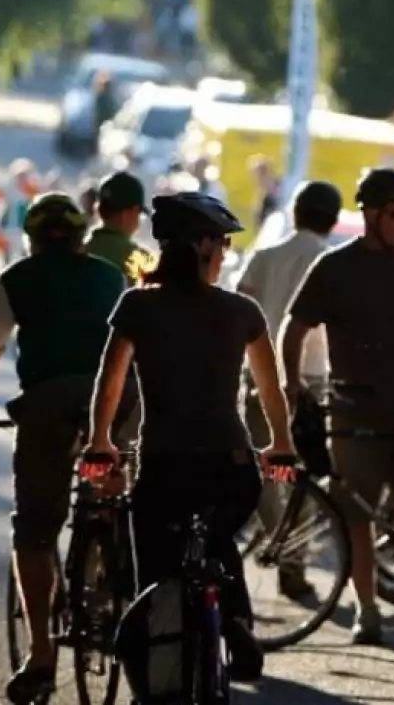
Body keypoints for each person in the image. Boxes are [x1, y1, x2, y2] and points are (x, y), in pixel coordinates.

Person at [84, 192, 296, 689]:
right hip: (232, 466)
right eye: (221, 243)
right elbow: (271, 388)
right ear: (202, 245)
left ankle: (149, 688)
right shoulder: (242, 312)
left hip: (163, 466)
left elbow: (109, 380)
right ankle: (237, 623)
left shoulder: (137, 304)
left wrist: (100, 441)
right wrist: (282, 444)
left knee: (154, 581)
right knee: (220, 540)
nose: (224, 252)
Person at [0, 193, 130, 704]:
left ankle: (41, 657)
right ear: (81, 237)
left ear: (32, 240)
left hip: (49, 406)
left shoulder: (18, 279)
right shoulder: (108, 276)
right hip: (113, 400)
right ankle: (109, 565)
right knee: (111, 489)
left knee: (34, 528)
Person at [278, 168, 394, 646]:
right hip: (354, 412)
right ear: (370, 214)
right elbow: (294, 327)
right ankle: (367, 609)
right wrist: (291, 386)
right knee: (356, 515)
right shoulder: (335, 267)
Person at [235, 180, 342, 601]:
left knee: (265, 470)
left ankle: (274, 538)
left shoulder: (263, 258)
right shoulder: (331, 263)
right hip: (312, 381)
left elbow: (241, 312)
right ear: (333, 221)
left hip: (260, 378)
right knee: (305, 473)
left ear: (294, 214)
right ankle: (292, 559)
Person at [85, 171, 153, 282]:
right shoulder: (140, 260)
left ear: (98, 209)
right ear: (130, 213)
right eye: (138, 214)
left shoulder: (80, 250)